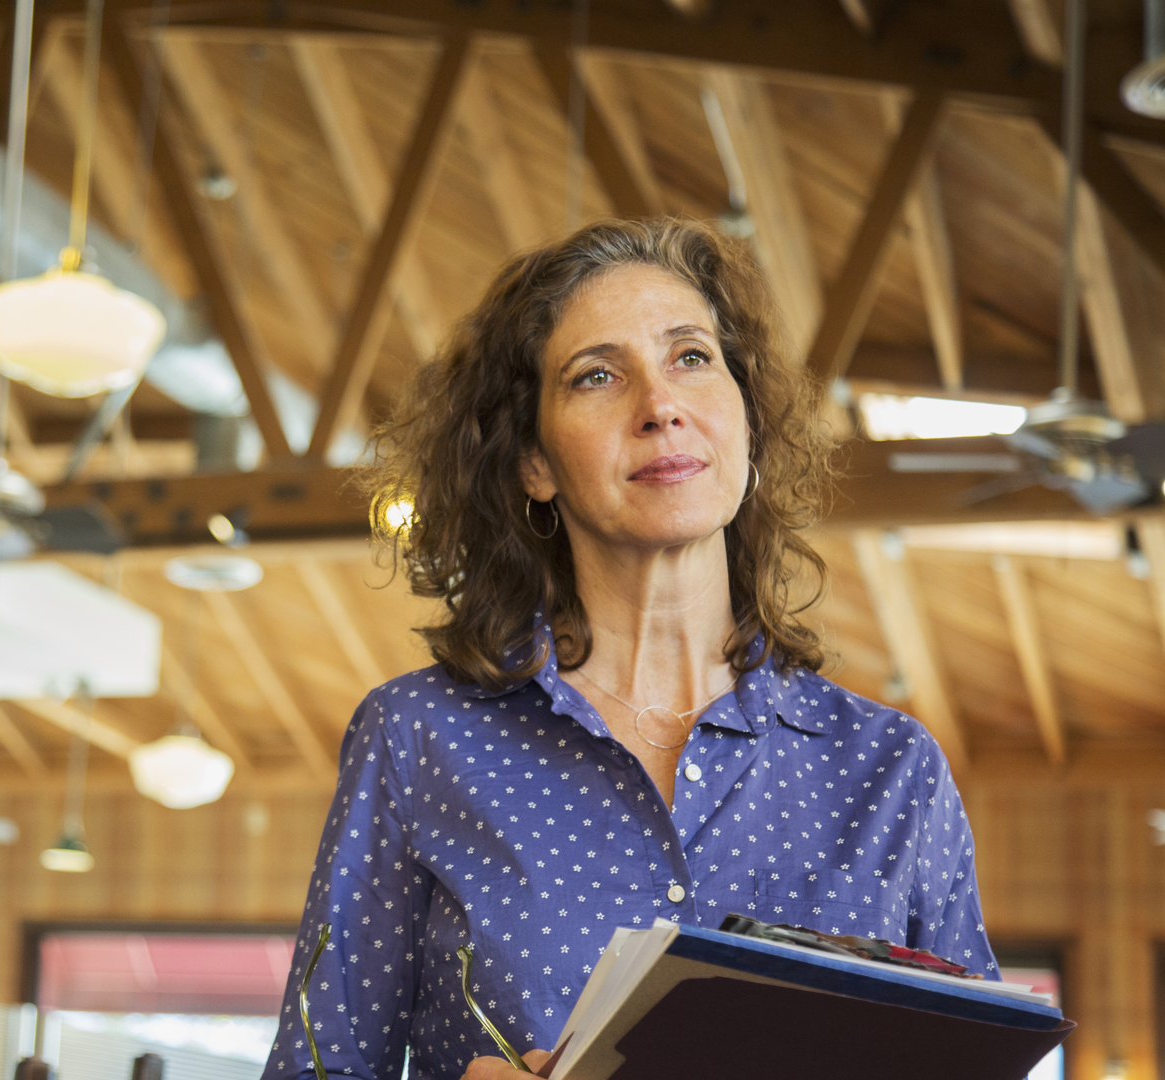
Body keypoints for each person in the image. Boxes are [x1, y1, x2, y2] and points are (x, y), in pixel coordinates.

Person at [262, 219, 995, 1080]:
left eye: (691, 357)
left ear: (746, 420)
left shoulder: (892, 772)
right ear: (534, 461)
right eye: (597, 376)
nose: (660, 406)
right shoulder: (418, 738)